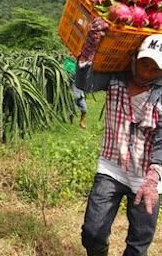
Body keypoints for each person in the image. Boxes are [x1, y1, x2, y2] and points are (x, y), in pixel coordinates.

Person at [76, 17, 162, 256]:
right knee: (92, 232)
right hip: (111, 168)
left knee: (138, 243)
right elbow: (85, 82)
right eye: (146, 64)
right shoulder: (115, 79)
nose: (149, 71)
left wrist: (154, 177)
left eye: (156, 68)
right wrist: (91, 45)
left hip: (148, 177)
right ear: (134, 59)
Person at [63, 55, 87, 129]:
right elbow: (70, 75)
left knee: (84, 109)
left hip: (80, 93)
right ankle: (71, 124)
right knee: (72, 111)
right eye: (72, 55)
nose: (74, 56)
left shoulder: (78, 64)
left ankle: (81, 122)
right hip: (72, 92)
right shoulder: (68, 64)